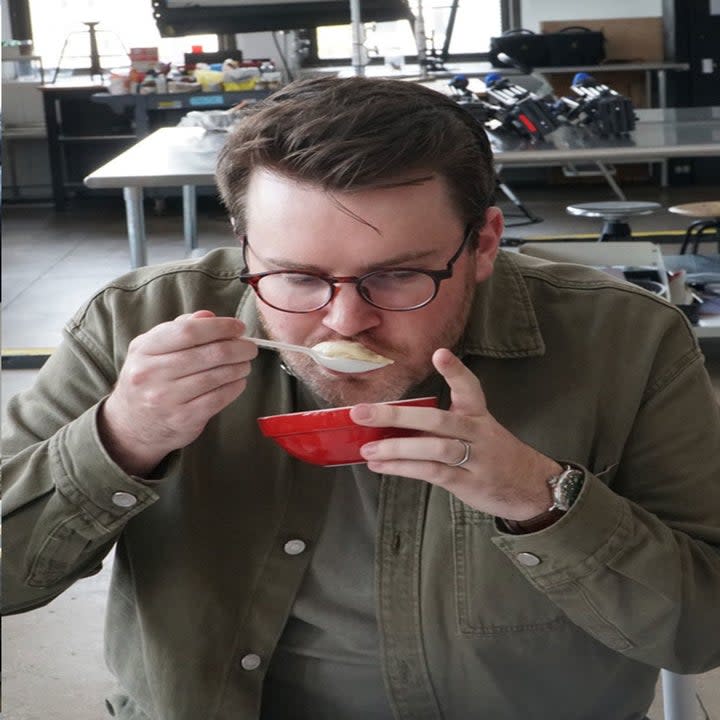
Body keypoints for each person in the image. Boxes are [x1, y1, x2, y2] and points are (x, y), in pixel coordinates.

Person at [2, 76, 720, 720]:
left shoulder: (625, 341)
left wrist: (542, 501)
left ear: (484, 245)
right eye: (295, 277)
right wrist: (120, 438)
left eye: (400, 276)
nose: (345, 321)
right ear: (244, 247)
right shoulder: (136, 323)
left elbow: (701, 631)